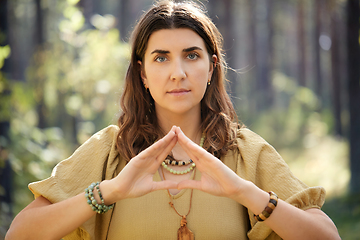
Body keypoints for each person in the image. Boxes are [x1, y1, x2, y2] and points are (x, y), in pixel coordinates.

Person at [6, 1, 340, 239]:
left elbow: (326, 237)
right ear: (144, 74)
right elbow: (20, 234)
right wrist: (109, 192)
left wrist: (245, 192)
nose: (177, 73)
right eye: (161, 58)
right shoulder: (109, 150)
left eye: (191, 56)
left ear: (211, 68)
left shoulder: (246, 152)